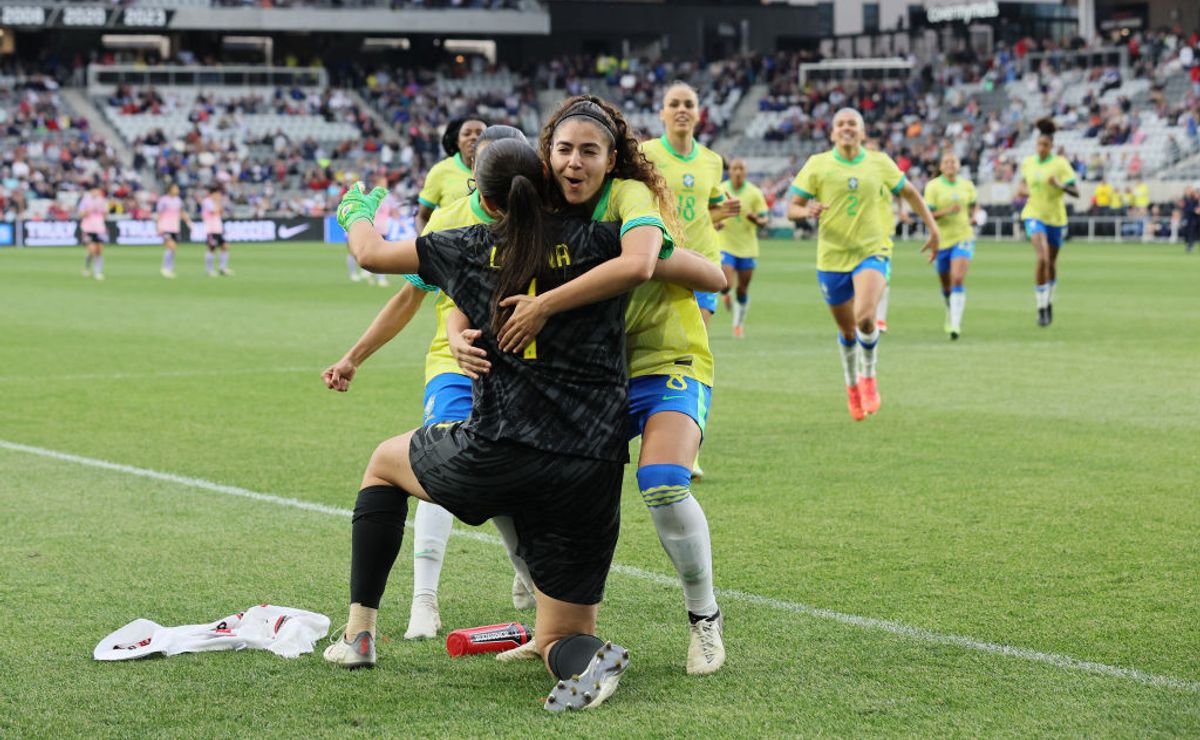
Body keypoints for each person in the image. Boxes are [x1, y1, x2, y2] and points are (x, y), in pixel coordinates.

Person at [324, 139, 654, 712]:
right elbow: (691, 270)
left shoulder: (469, 245)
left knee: (382, 464)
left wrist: (355, 212)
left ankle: (358, 636)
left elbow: (371, 255)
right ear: (546, 178)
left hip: (502, 448)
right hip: (592, 463)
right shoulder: (600, 242)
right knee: (558, 636)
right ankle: (585, 660)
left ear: (483, 196)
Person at [453, 96, 729, 674]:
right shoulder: (540, 206)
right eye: (564, 150)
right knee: (512, 475)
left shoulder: (629, 196)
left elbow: (680, 270)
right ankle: (547, 618)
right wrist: (458, 331)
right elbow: (482, 266)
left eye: (589, 151)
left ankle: (704, 619)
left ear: (611, 159)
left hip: (668, 360)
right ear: (546, 157)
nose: (575, 162)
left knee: (662, 482)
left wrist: (549, 303)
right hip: (595, 378)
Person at [322, 125, 537, 642]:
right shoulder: (449, 218)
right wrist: (354, 357)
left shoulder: (544, 218)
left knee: (506, 471)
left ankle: (532, 574)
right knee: (438, 459)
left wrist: (356, 217)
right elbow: (411, 296)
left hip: (522, 362)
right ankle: (425, 599)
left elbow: (373, 255)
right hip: (454, 360)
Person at [787, 108, 940, 421]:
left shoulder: (879, 162)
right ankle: (852, 385)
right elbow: (792, 208)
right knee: (846, 331)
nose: (846, 128)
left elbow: (910, 193)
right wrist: (806, 211)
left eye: (852, 124)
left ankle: (869, 376)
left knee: (866, 318)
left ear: (862, 131)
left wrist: (933, 229)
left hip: (872, 251)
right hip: (832, 258)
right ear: (832, 132)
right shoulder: (817, 164)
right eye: (840, 124)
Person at [640, 82, 738, 326]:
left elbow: (708, 213)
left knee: (695, 342)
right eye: (674, 104)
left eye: (688, 104)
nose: (681, 109)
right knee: (660, 342)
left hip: (704, 260)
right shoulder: (644, 155)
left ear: (698, 114)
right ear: (662, 113)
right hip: (663, 261)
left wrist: (723, 213)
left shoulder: (713, 161)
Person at [1016, 118, 1078, 326]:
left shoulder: (1060, 164)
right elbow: (1022, 186)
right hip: (1033, 214)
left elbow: (1076, 191)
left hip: (1055, 218)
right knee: (1042, 257)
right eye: (1038, 144)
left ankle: (1048, 300)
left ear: (1051, 146)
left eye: (1045, 145)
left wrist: (1060, 185)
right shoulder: (1028, 163)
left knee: (1051, 263)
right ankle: (1040, 307)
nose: (1041, 148)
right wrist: (1024, 191)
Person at [923, 153, 978, 340]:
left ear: (959, 165)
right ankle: (950, 308)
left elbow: (973, 206)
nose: (950, 165)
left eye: (953, 162)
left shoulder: (967, 185)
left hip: (963, 237)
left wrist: (974, 217)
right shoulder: (933, 187)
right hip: (941, 240)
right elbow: (928, 214)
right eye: (946, 162)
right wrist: (947, 211)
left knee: (958, 278)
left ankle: (955, 324)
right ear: (940, 166)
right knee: (946, 284)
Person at [716, 158, 769, 338]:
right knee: (725, 284)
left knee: (742, 289)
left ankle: (738, 324)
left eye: (741, 169)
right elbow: (710, 212)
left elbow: (765, 219)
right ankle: (725, 294)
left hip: (747, 247)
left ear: (746, 172)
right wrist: (715, 223)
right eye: (734, 168)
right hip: (725, 243)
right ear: (729, 171)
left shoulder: (754, 193)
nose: (738, 172)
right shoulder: (721, 189)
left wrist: (757, 220)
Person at [414, 117, 487, 234]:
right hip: (452, 244)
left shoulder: (500, 170)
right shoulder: (440, 171)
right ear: (457, 141)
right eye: (466, 134)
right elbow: (422, 217)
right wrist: (425, 243)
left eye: (480, 133)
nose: (473, 137)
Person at [155, 184, 190, 279]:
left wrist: (188, 222)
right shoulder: (163, 200)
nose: (177, 190)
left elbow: (182, 212)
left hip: (175, 227)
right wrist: (158, 226)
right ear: (170, 190)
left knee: (173, 249)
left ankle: (169, 268)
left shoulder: (178, 200)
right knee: (171, 246)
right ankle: (165, 268)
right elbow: (159, 213)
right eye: (175, 188)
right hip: (165, 226)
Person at [78, 188, 108, 281]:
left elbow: (105, 214)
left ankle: (97, 271)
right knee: (92, 250)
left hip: (99, 228)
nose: (95, 192)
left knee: (99, 250)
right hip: (87, 228)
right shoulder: (85, 201)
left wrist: (102, 213)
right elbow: (81, 214)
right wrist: (90, 210)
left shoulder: (102, 201)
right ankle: (88, 268)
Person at [201, 187, 231, 277]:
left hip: (218, 229)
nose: (219, 196)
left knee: (225, 246)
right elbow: (213, 210)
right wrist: (217, 202)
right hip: (211, 229)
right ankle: (209, 270)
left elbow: (221, 212)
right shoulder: (207, 201)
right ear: (212, 194)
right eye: (217, 194)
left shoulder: (215, 202)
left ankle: (222, 268)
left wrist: (218, 203)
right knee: (211, 249)